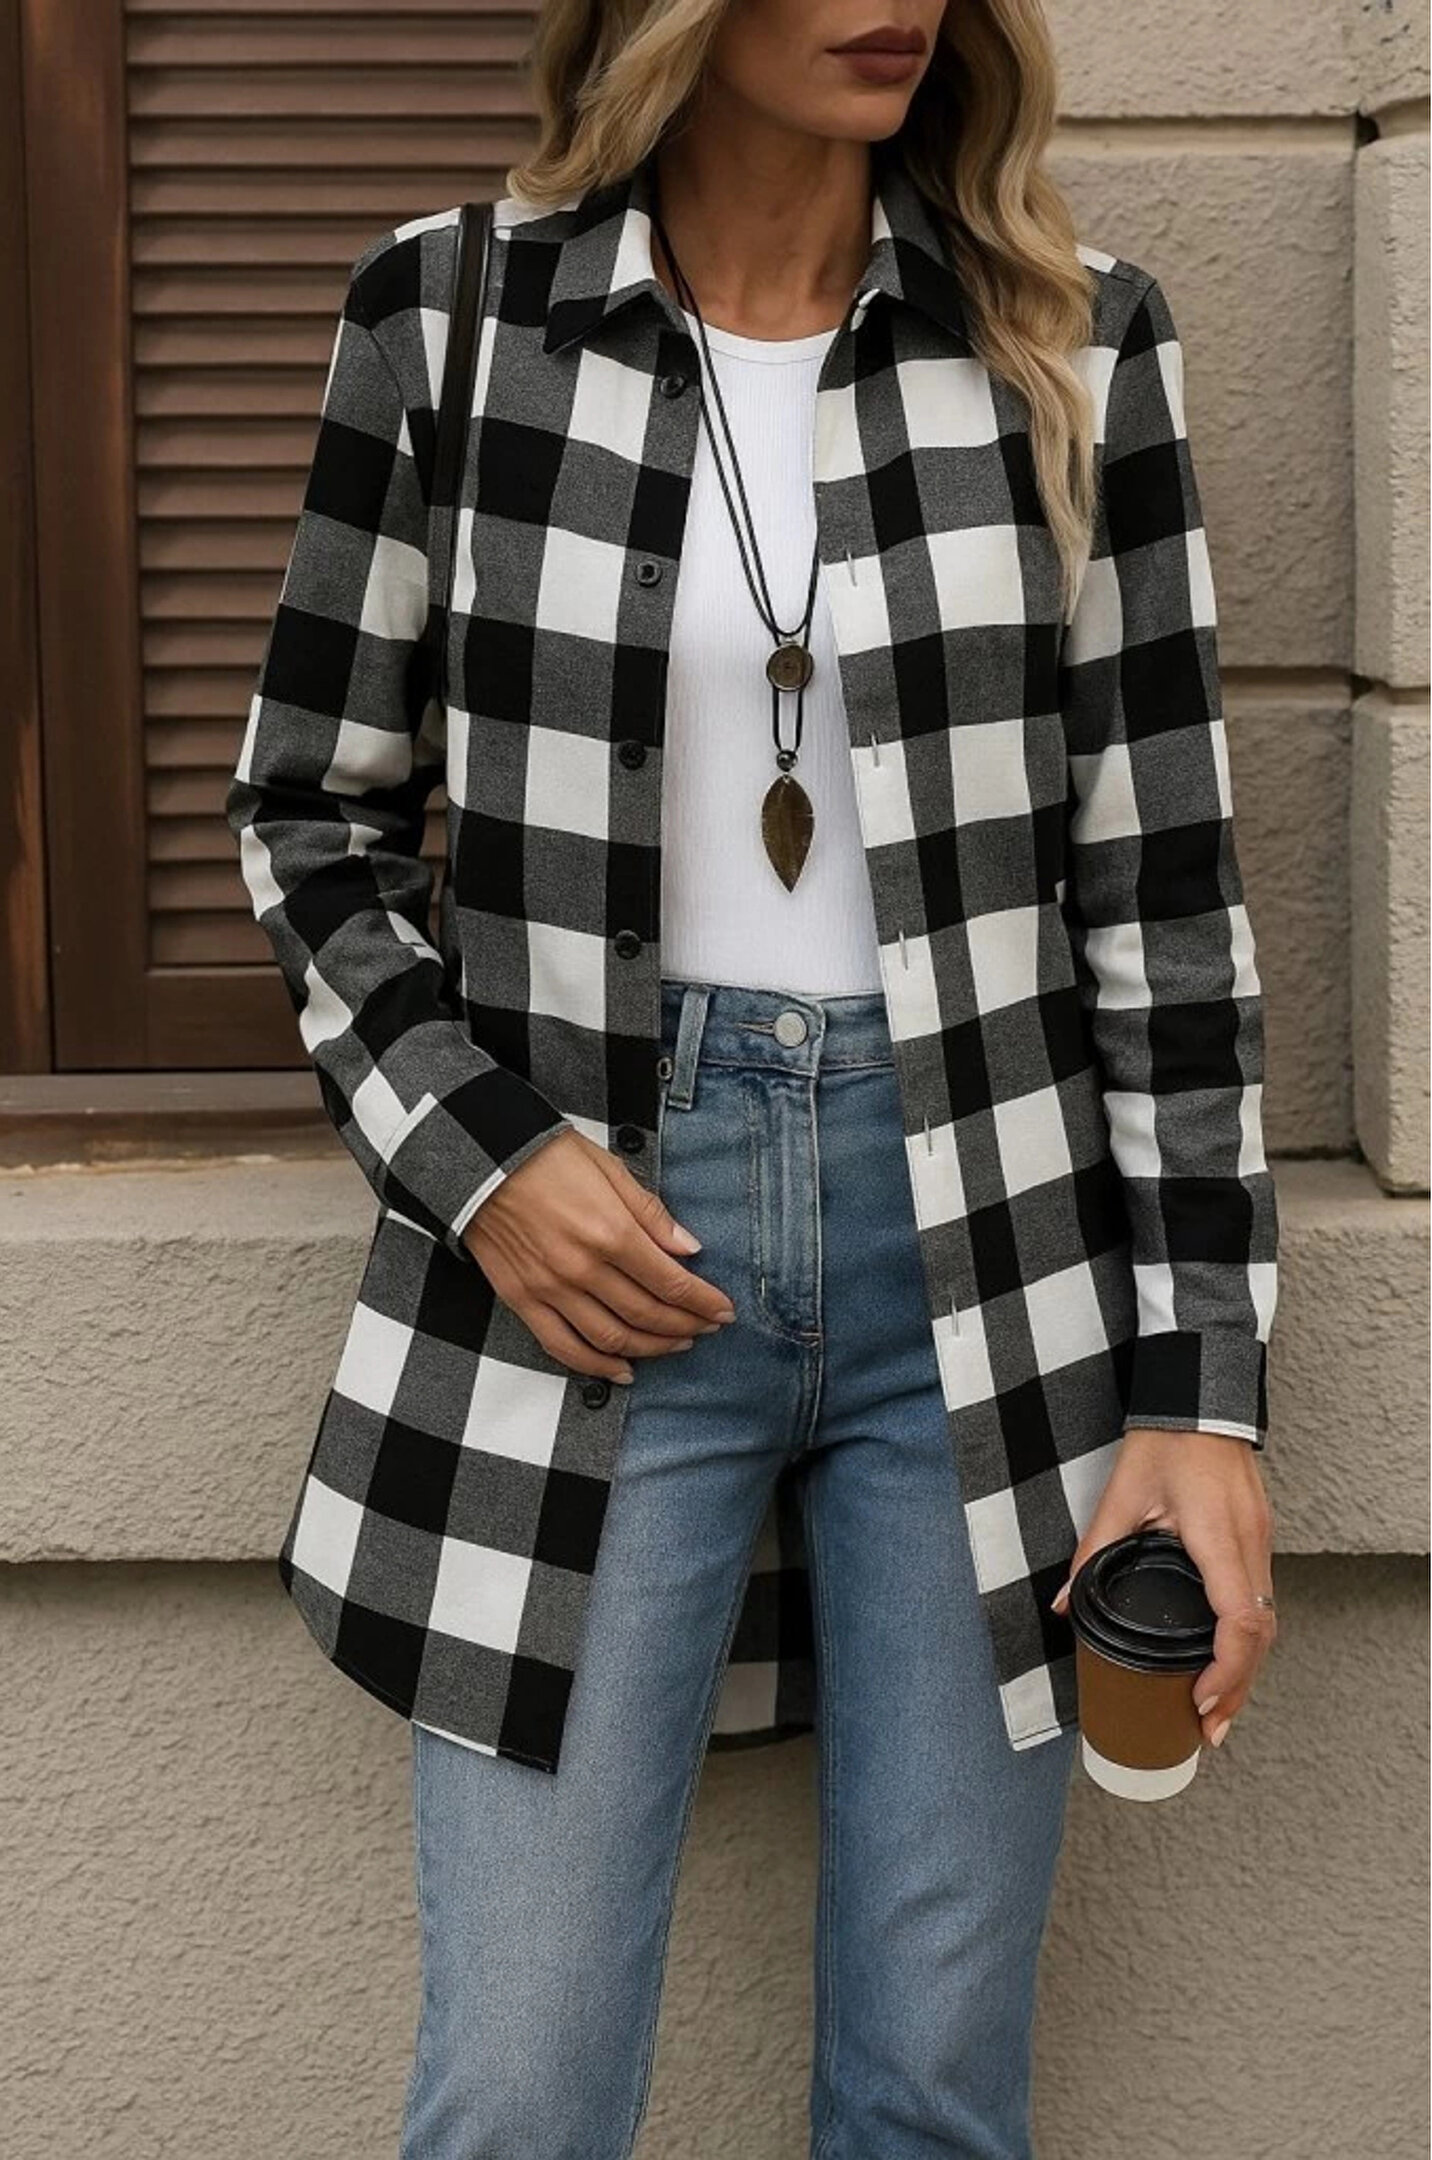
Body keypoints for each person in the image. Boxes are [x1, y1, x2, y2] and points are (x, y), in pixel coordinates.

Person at [226, 2, 1280, 2153]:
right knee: (520, 2093)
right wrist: (486, 1160)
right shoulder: (451, 319)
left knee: (931, 2095)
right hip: (591, 1268)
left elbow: (1163, 900)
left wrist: (1201, 1393)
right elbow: (309, 817)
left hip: (986, 1268)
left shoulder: (1076, 345)